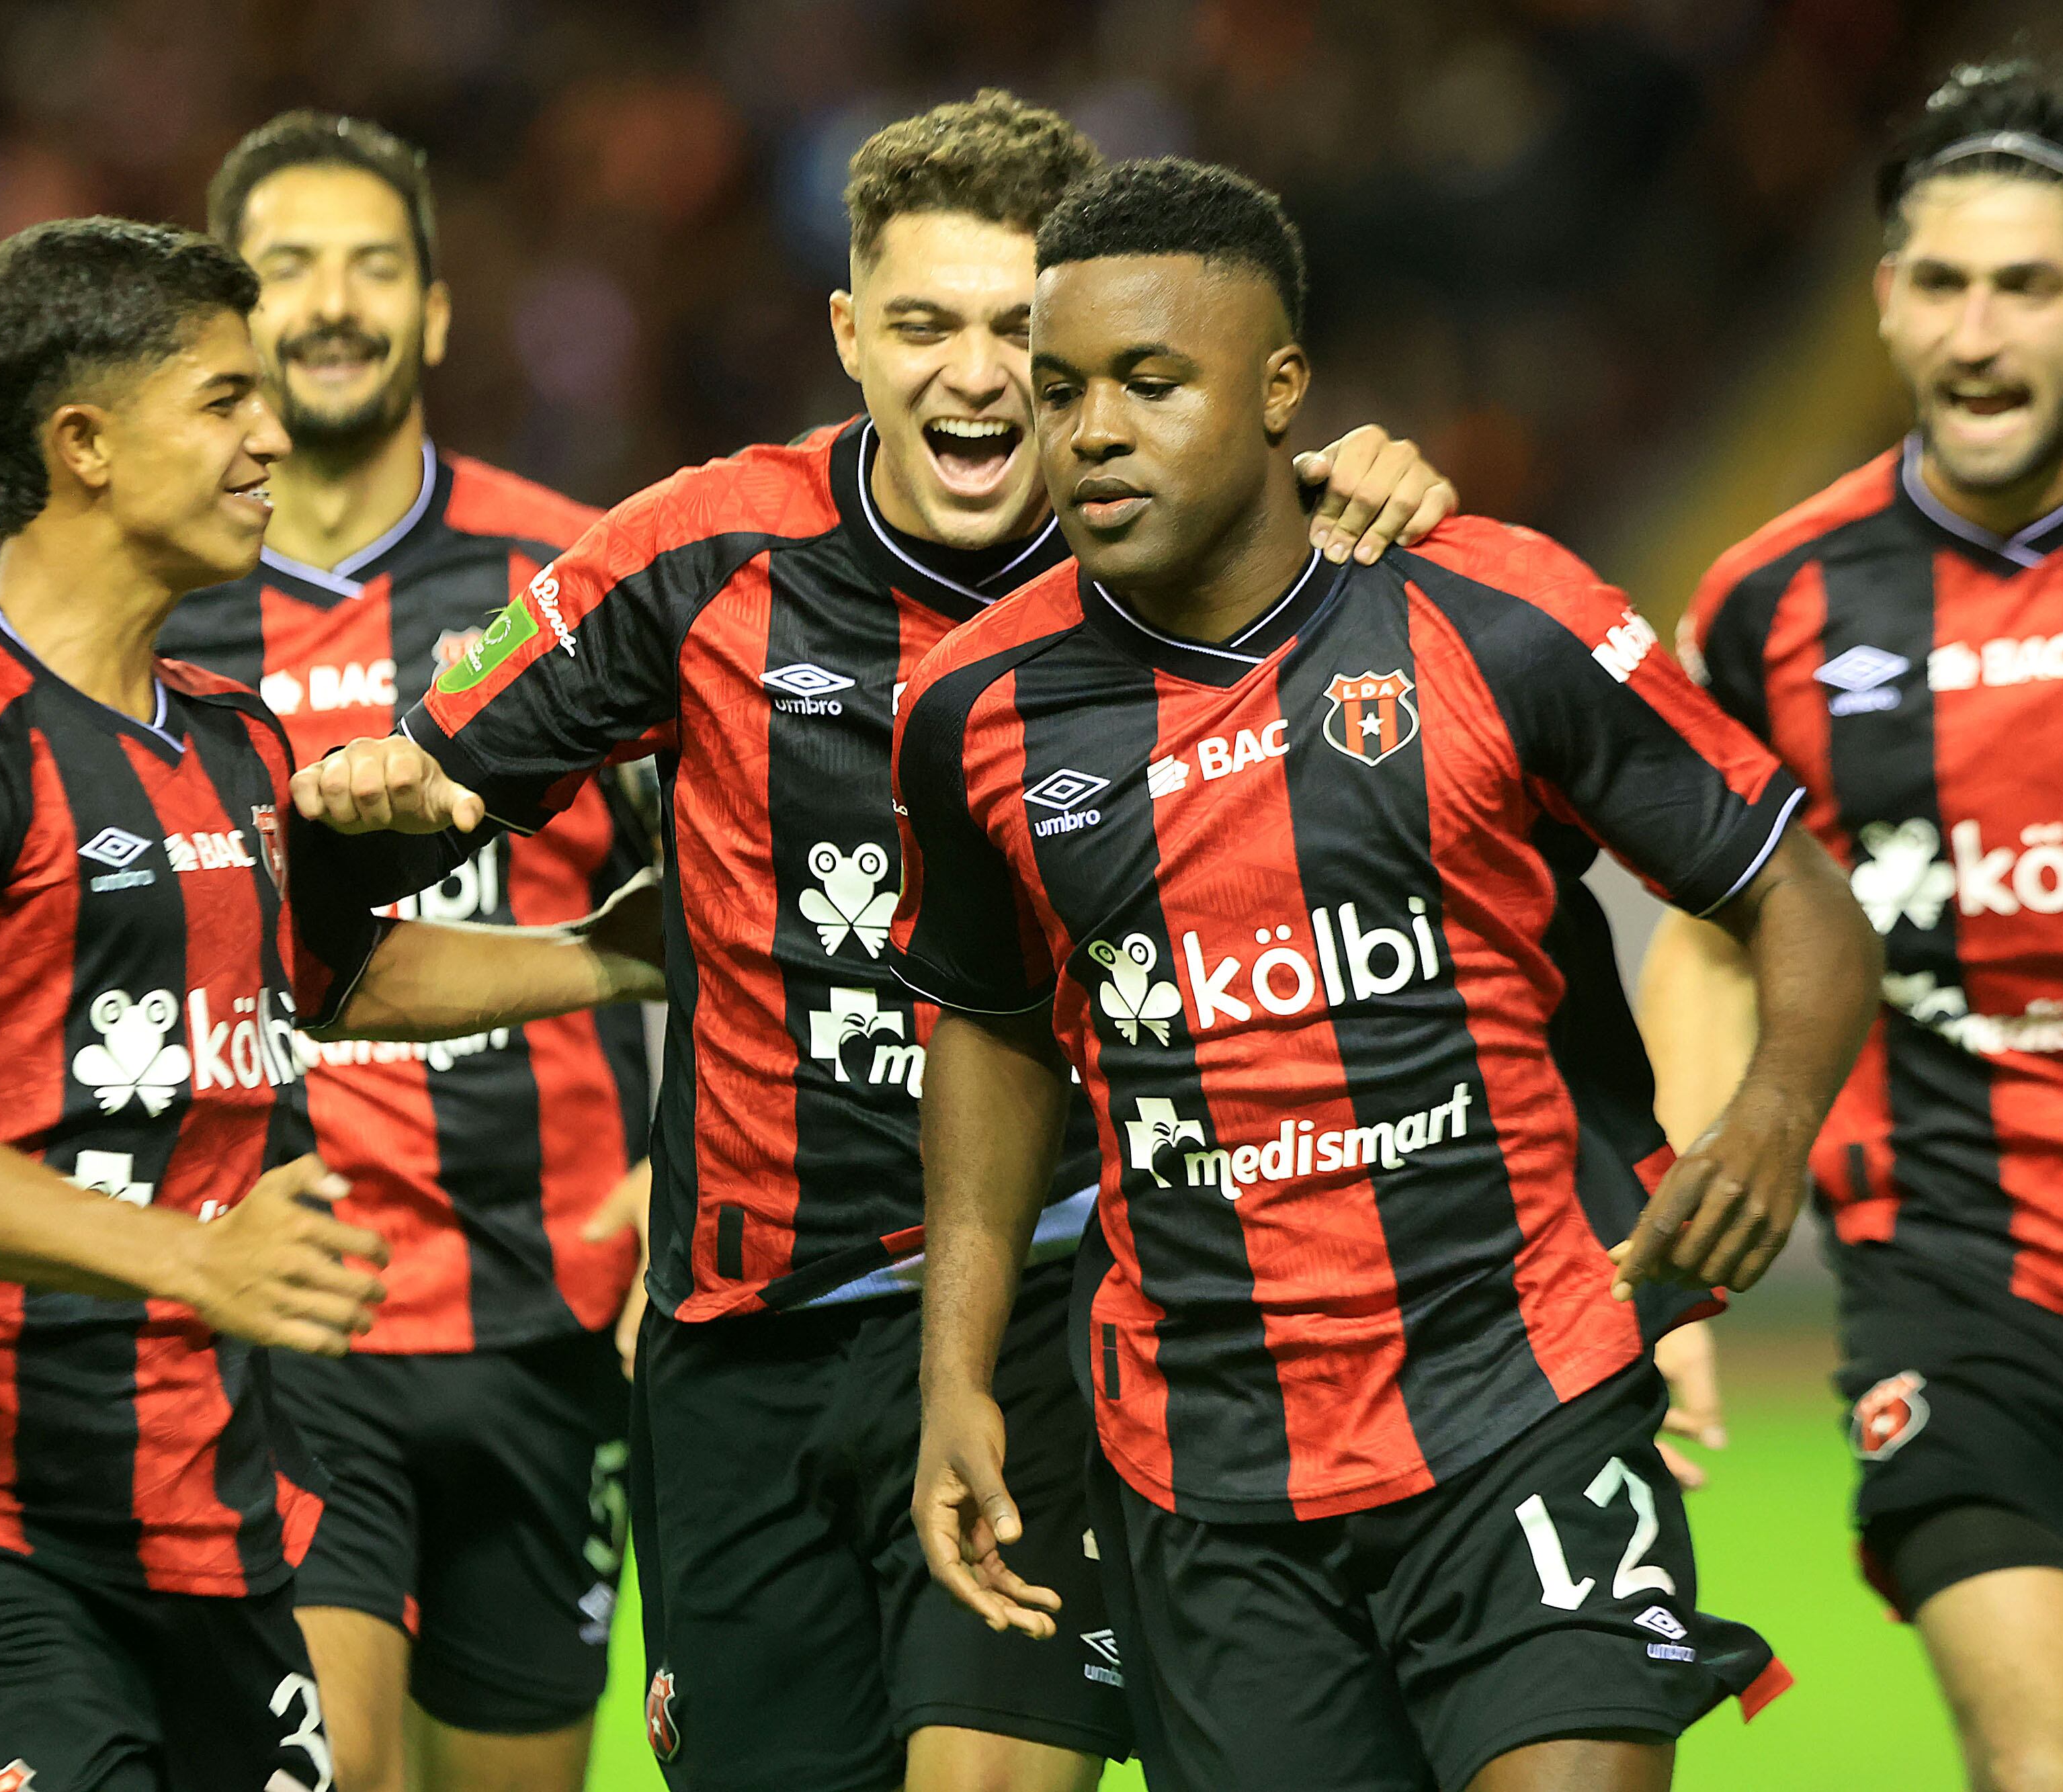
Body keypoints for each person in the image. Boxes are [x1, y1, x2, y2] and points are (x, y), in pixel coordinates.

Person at [290, 90, 1454, 1792]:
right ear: (847, 335)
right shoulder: (697, 553)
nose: (972, 377)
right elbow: (383, 850)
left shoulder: (1184, 550)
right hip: (742, 1343)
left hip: (1063, 1308)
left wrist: (1383, 486)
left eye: (1014, 334)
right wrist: (388, 815)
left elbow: (1404, 632)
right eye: (921, 326)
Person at [893, 157, 1882, 1792]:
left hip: (1522, 1391)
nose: (1092, 432)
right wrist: (955, 1369)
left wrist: (1770, 1117)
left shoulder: (1492, 614)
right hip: (1203, 1462)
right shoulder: (972, 709)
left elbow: (1797, 893)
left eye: (1150, 381)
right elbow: (993, 1035)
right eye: (1060, 392)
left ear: (1280, 389)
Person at [0, 216, 658, 1792]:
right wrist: (199, 1255)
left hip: (214, 1514)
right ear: (84, 444)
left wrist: (618, 952)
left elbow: (338, 977)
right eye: (224, 400)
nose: (271, 437)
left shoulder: (229, 736)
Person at [1645, 58, 2063, 1792]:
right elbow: (1710, 943)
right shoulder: (1771, 600)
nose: (1975, 335)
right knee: (2046, 1769)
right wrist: (1680, 1259)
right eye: (1940, 284)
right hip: (1948, 1266)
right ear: (1884, 297)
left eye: (2025, 286)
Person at [161, 112, 651, 1792]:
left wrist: (676, 1172)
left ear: (436, 312)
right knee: (336, 1767)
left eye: (374, 267)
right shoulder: (152, 610)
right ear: (227, 322)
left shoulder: (574, 582)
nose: (332, 303)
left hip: (547, 1312)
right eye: (287, 270)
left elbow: (743, 900)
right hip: (286, 1320)